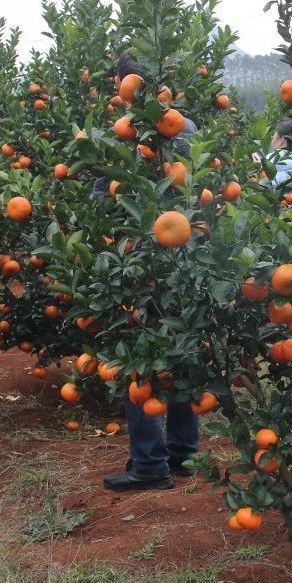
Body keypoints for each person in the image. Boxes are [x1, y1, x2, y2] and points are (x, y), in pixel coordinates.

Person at [100, 53, 199, 492]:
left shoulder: (122, 134)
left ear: (123, 83)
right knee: (181, 354)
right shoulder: (186, 127)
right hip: (187, 260)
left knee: (141, 362)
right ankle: (185, 453)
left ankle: (149, 464)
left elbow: (104, 200)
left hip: (139, 263)